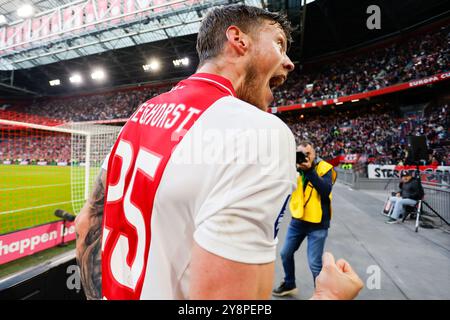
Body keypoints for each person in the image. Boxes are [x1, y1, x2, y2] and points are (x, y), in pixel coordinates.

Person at [75, 4, 363, 300]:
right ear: (238, 40)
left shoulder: (143, 113)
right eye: (278, 43)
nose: (289, 62)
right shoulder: (259, 132)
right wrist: (330, 296)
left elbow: (86, 223)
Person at [273, 141, 337, 297]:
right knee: (285, 253)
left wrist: (309, 171)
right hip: (298, 220)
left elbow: (325, 190)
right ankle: (289, 284)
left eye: (308, 154)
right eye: (300, 155)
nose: (305, 157)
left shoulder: (325, 168)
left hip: (318, 223)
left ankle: (321, 295)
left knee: (315, 264)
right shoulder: (293, 168)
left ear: (314, 153)